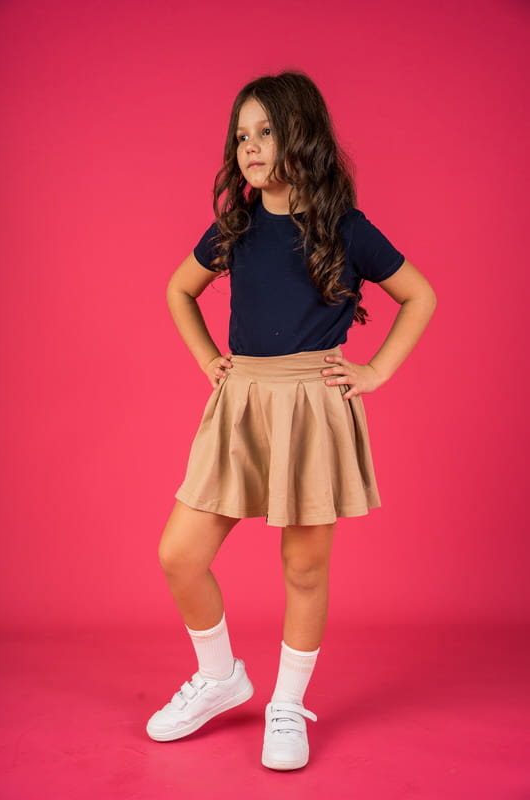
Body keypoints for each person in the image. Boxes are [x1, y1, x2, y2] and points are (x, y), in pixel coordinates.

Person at [146, 70, 437, 770]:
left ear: (301, 135)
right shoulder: (236, 227)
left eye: (265, 131)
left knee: (303, 567)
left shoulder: (346, 229)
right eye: (240, 135)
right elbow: (180, 289)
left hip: (312, 406)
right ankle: (220, 677)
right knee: (179, 554)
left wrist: (375, 371)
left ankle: (286, 703)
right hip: (243, 402)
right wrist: (210, 360)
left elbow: (419, 296)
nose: (248, 146)